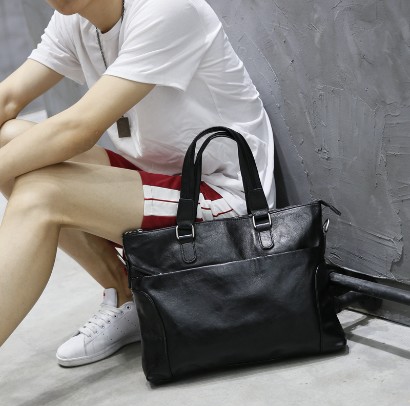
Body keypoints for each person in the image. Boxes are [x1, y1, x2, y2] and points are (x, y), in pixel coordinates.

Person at [0, 0, 275, 367]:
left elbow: (78, 129)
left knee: (42, 193)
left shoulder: (166, 9)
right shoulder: (75, 21)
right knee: (10, 140)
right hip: (159, 182)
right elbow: (8, 97)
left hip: (223, 204)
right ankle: (128, 296)